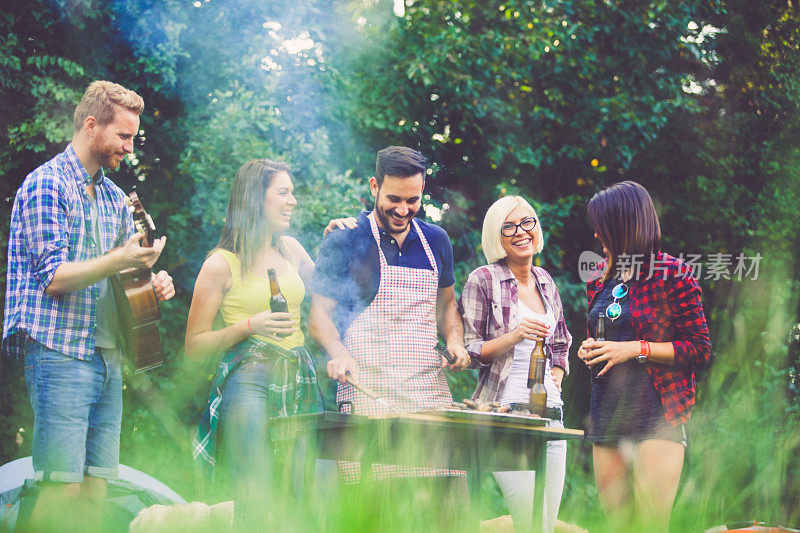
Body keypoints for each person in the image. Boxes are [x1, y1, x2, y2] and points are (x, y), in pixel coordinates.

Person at [2, 80, 175, 533]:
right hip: (59, 353)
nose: (129, 148)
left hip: (108, 356)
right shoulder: (45, 184)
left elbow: (121, 278)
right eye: (123, 136)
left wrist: (150, 281)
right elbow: (54, 278)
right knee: (63, 489)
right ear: (92, 124)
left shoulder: (117, 199)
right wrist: (121, 258)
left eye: (133, 138)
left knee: (97, 487)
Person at [308, 146, 470, 513]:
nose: (402, 210)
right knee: (375, 512)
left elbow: (447, 306)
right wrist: (341, 353)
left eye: (412, 200)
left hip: (428, 394)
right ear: (374, 187)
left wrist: (456, 342)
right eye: (393, 199)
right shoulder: (344, 241)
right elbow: (318, 318)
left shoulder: (436, 241)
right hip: (369, 394)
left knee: (449, 509)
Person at [186, 159, 337, 529]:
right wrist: (249, 325)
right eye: (283, 193)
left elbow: (332, 295)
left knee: (312, 489)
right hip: (248, 379)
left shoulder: (292, 250)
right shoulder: (222, 264)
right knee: (255, 493)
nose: (293, 201)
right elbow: (194, 346)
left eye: (292, 193)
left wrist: (339, 243)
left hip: (298, 378)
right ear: (256, 199)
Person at [577, 181, 712, 532]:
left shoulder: (673, 273)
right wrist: (588, 346)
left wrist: (636, 349)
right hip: (605, 414)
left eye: (602, 224)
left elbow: (699, 347)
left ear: (624, 224)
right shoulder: (598, 279)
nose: (596, 232)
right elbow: (604, 334)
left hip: (656, 417)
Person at [459, 195, 572, 532]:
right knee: (529, 523)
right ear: (497, 235)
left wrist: (554, 378)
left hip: (551, 416)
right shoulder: (483, 280)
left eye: (527, 222)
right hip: (506, 415)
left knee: (546, 526)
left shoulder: (546, 281)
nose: (521, 232)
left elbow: (562, 341)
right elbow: (470, 351)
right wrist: (514, 335)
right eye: (509, 226)